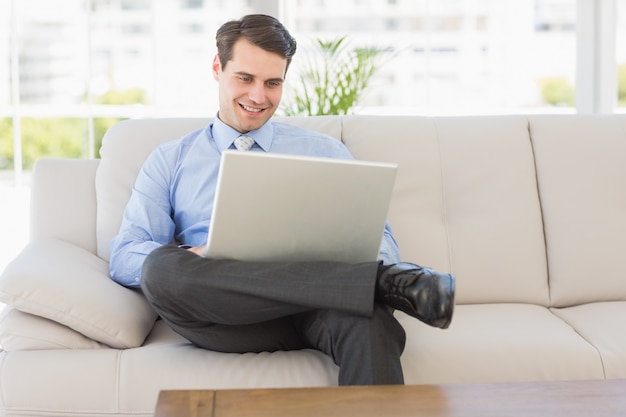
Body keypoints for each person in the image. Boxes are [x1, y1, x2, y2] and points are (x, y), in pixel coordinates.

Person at [109, 14, 455, 386]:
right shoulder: (171, 159)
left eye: (272, 83)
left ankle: (364, 285)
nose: (258, 96)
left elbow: (380, 239)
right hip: (226, 315)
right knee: (162, 270)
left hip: (319, 310)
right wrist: (199, 255)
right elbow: (126, 256)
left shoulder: (323, 150)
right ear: (217, 68)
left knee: (369, 320)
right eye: (245, 78)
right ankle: (378, 283)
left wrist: (364, 260)